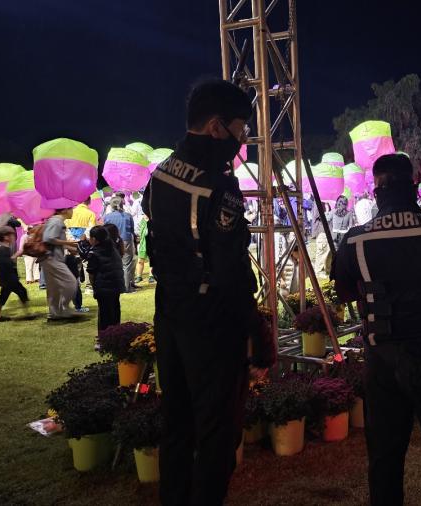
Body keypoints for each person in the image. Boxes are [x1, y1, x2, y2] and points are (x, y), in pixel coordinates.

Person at [331, 153, 421, 506]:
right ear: (413, 186)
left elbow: (345, 293)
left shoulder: (356, 240)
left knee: (385, 459)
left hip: (383, 360)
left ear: (376, 190)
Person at [142, 79, 264, 505]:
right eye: (240, 130)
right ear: (216, 127)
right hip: (211, 321)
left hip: (169, 312)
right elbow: (231, 270)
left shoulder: (159, 174)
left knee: (176, 423)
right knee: (217, 434)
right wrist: (256, 328)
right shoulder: (219, 186)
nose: (241, 140)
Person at [84, 225, 125, 333]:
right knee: (115, 311)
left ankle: (104, 337)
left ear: (94, 239)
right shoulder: (113, 248)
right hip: (116, 285)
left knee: (104, 314)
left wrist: (94, 288)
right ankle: (116, 335)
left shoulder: (94, 252)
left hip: (103, 287)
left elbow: (91, 273)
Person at [41, 208, 79, 321]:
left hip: (50, 257)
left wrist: (71, 247)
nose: (72, 211)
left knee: (54, 287)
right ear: (64, 210)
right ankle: (64, 308)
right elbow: (48, 238)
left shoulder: (55, 220)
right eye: (71, 209)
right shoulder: (56, 221)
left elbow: (54, 241)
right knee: (71, 282)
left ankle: (54, 313)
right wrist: (68, 242)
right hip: (52, 258)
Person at [0, 225, 28, 322]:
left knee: (8, 294)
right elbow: (6, 264)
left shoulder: (5, 249)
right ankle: (26, 312)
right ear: (5, 237)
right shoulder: (2, 250)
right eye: (12, 235)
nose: (14, 237)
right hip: (9, 278)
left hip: (9, 278)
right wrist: (16, 255)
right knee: (20, 292)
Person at [104, 196, 137, 293]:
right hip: (126, 240)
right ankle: (126, 288)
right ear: (122, 204)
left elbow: (105, 230)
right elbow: (132, 230)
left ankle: (117, 286)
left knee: (114, 264)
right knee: (126, 264)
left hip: (112, 242)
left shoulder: (107, 217)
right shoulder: (127, 216)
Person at [311, 201, 332, 278]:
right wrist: (327, 212)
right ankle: (319, 271)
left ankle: (327, 270)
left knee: (328, 251)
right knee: (322, 251)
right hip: (321, 231)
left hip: (328, 231)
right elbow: (317, 215)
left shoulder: (327, 203)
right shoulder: (318, 202)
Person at [135, 212, 154, 284]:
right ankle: (139, 276)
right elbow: (136, 230)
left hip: (152, 243)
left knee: (152, 260)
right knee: (140, 260)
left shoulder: (153, 219)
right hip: (143, 243)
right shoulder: (140, 219)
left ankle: (151, 276)